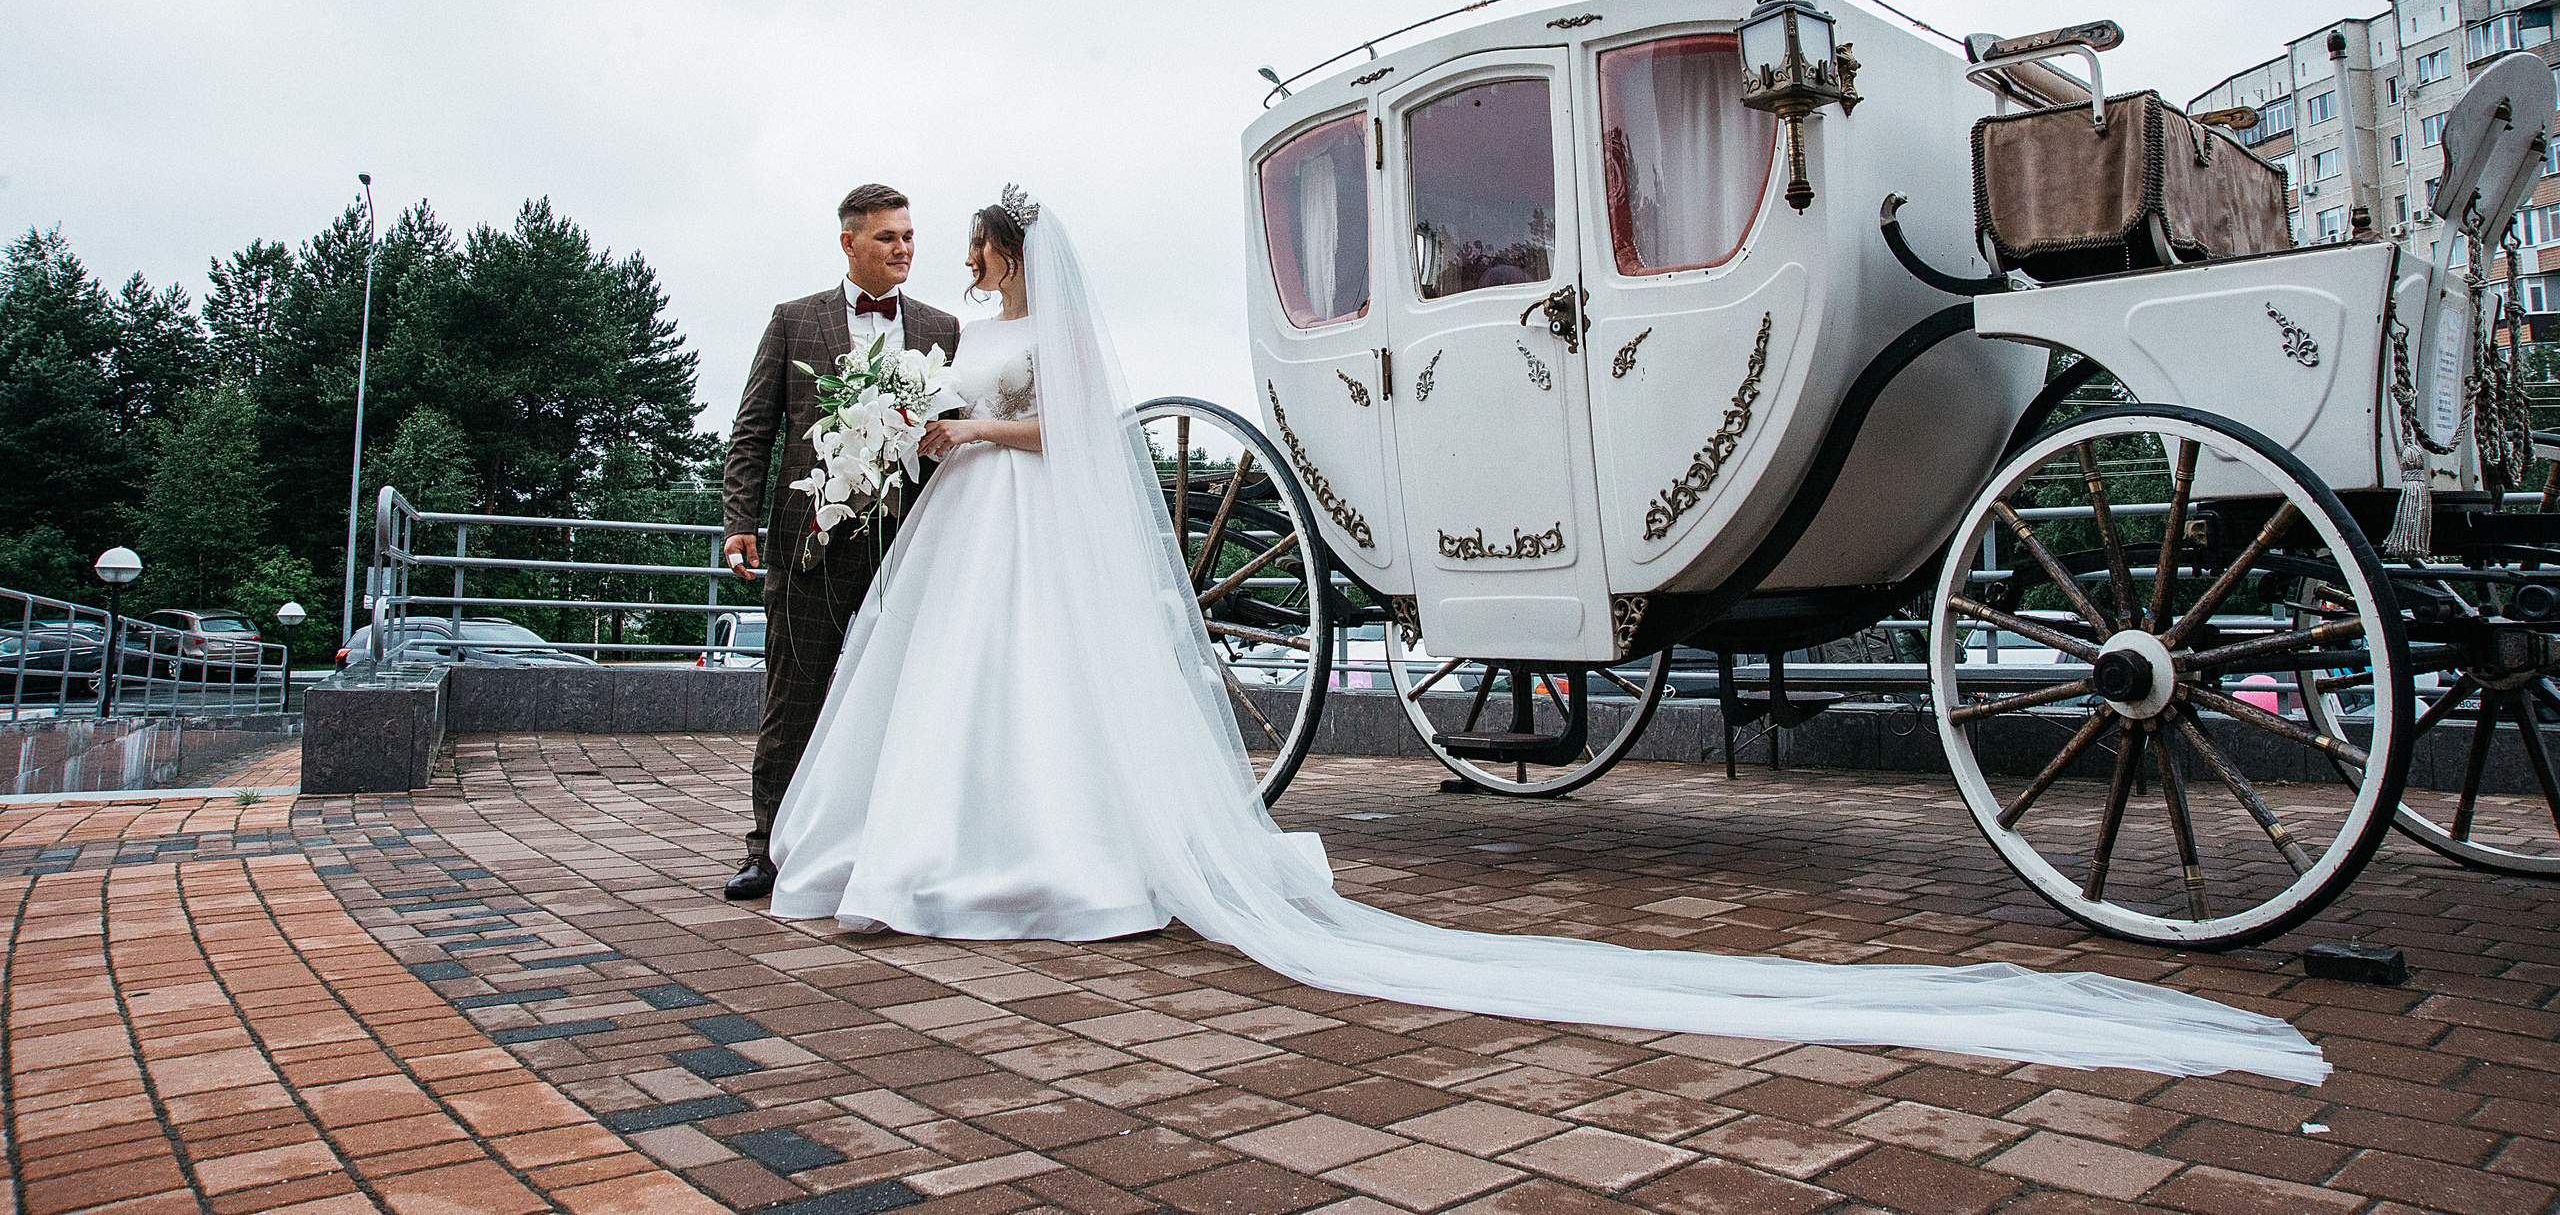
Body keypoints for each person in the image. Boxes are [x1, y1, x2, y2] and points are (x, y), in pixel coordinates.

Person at [765, 189, 2327, 1083]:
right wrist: (919, 441)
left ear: (996, 254)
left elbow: (1048, 427)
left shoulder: (1013, 333)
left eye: (961, 246)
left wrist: (955, 437)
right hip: (973, 526)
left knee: (1014, 692)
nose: (955, 263)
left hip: (996, 503)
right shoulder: (965, 331)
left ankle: (1014, 846)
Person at [719, 183, 960, 902]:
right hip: (808, 547)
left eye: (909, 235)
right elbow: (753, 431)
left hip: (908, 549)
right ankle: (768, 851)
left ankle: (883, 853)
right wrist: (739, 521)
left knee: (899, 705)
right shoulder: (793, 320)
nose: (903, 248)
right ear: (850, 242)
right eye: (888, 237)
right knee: (792, 700)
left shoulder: (943, 328)